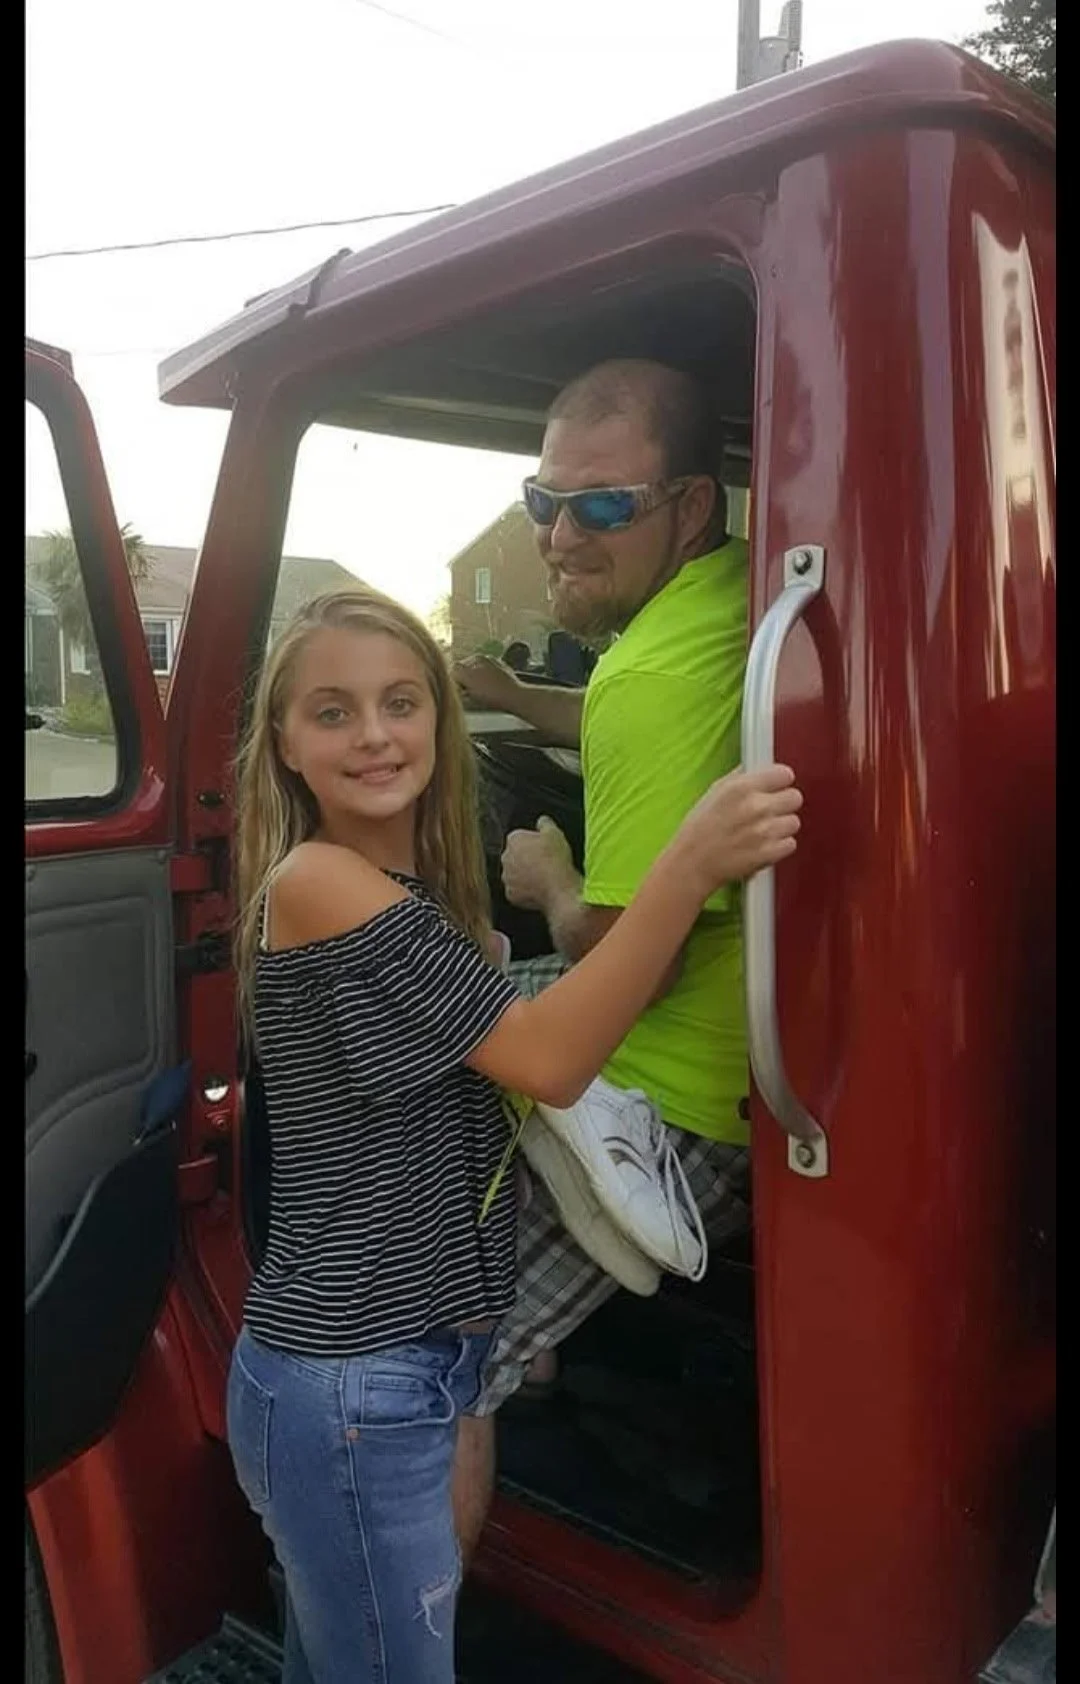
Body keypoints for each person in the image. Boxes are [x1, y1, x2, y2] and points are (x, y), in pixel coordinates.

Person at [227, 585, 800, 1683]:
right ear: (287, 745)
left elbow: (485, 1044)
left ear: (442, 720)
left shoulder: (408, 899)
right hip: (354, 1387)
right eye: (333, 712)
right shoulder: (320, 880)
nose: (376, 734)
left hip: (394, 1373)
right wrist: (689, 863)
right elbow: (544, 1057)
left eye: (401, 701)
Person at [452, 358, 754, 1554]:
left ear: (690, 503)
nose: (561, 535)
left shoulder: (650, 673)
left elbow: (624, 956)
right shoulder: (719, 608)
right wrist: (516, 695)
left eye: (604, 507)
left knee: (431, 1359)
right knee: (443, 1022)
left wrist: (550, 884)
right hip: (734, 1052)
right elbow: (622, 705)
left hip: (668, 1103)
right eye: (544, 502)